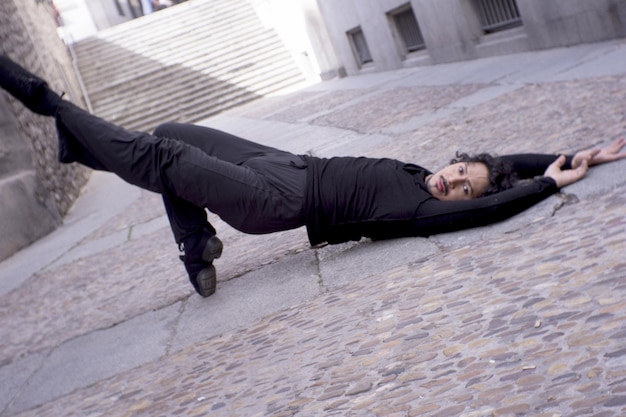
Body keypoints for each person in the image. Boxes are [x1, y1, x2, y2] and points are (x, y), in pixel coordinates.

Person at [1, 55, 625, 297]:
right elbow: (501, 167)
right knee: (170, 135)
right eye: (459, 170)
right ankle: (195, 247)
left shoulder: (422, 211)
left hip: (277, 198)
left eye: (461, 188)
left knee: (160, 160)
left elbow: (489, 204)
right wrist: (567, 155)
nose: (453, 183)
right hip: (281, 163)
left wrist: (547, 188)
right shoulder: (427, 174)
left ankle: (52, 106)